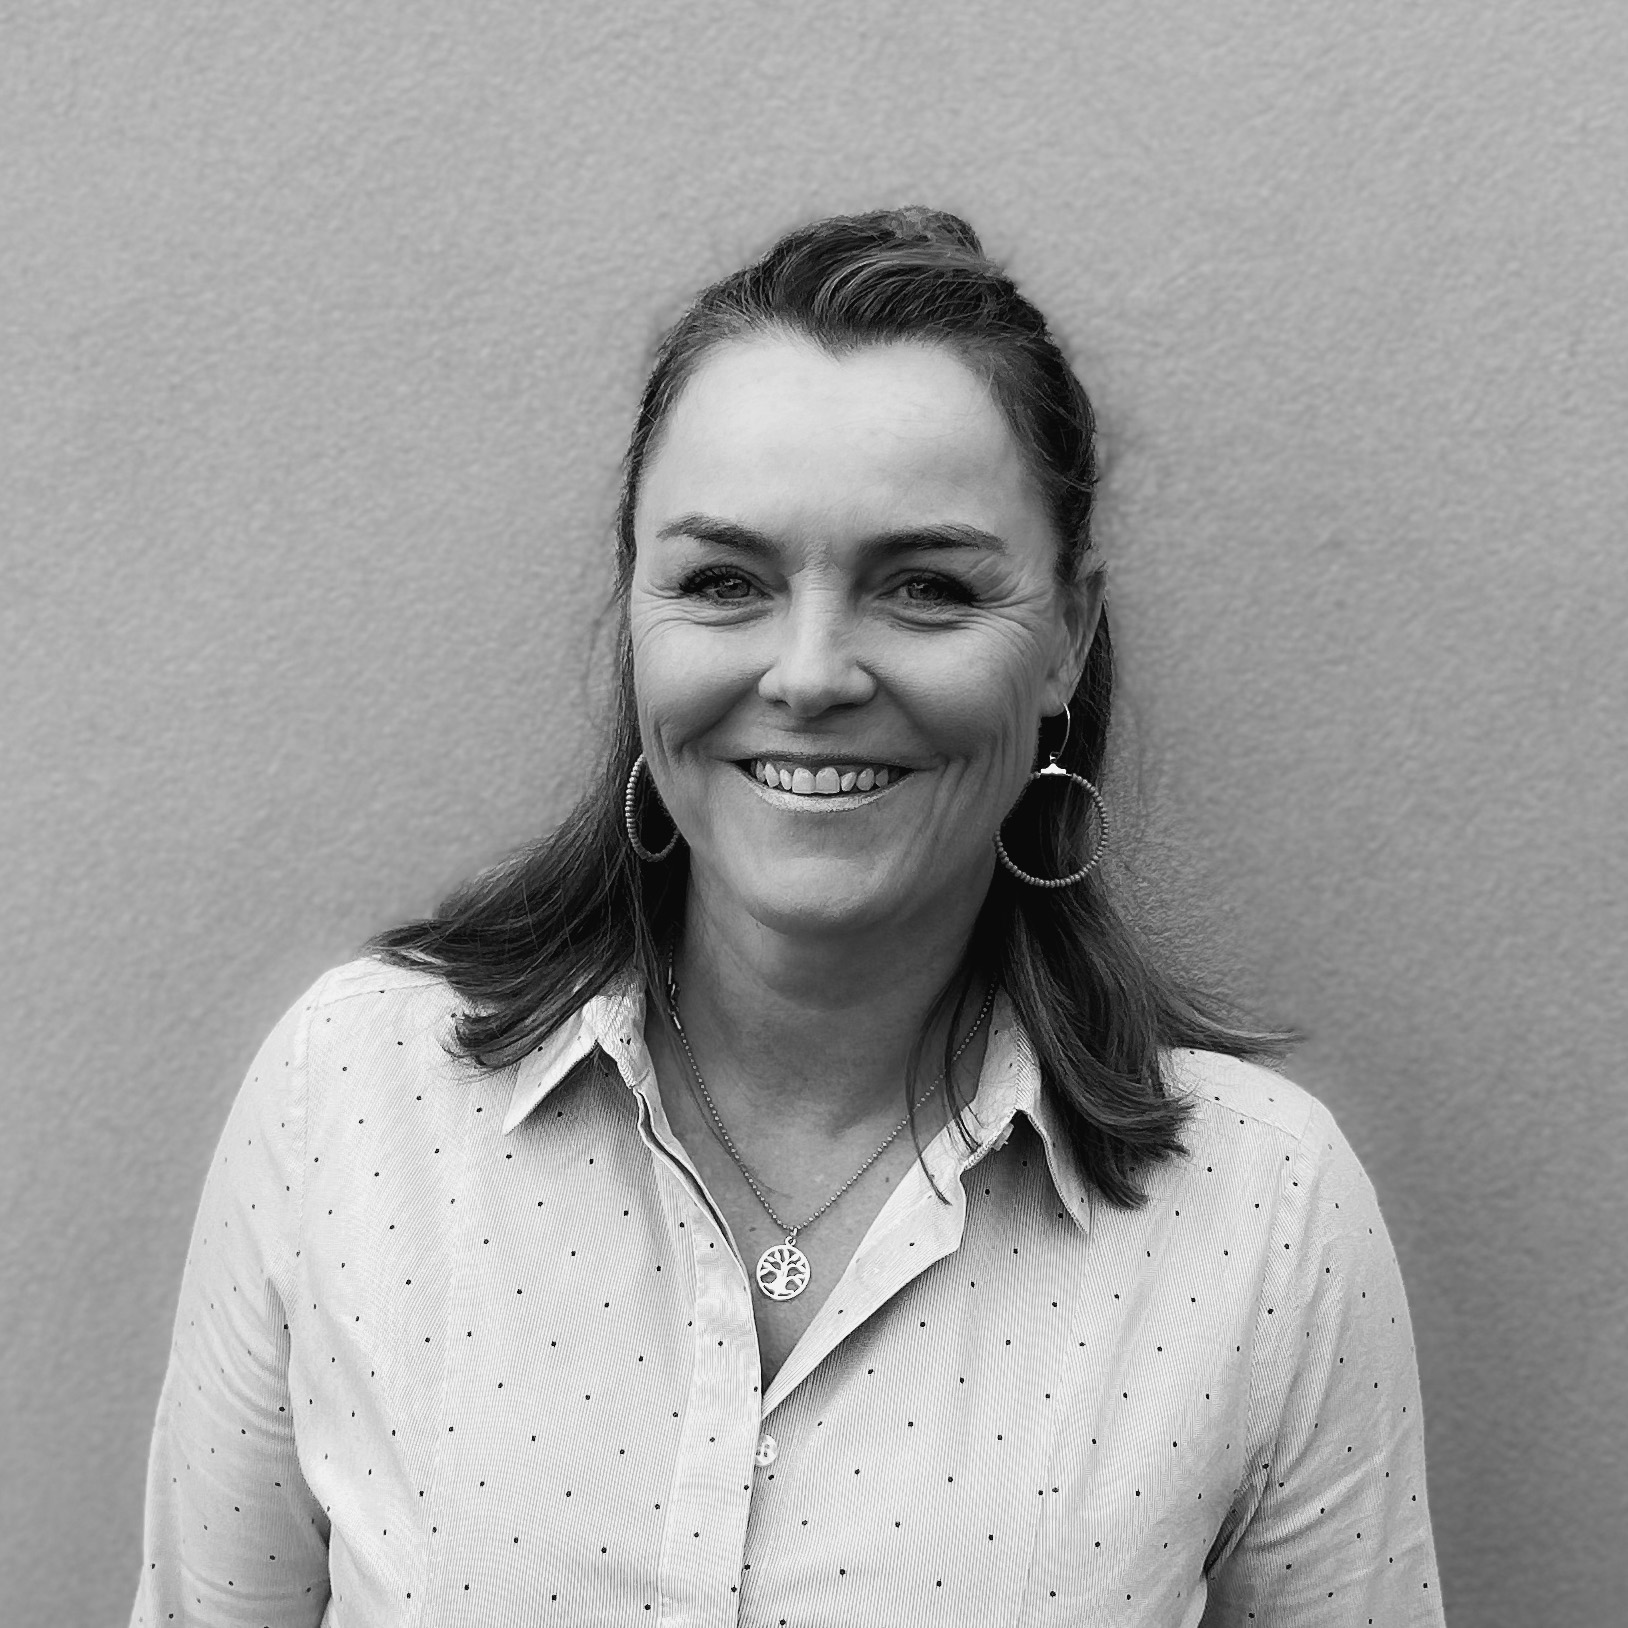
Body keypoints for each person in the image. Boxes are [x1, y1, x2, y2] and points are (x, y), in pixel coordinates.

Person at [131, 207, 1443, 1626]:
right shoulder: (355, 1100)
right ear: (637, 613)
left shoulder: (1262, 1213)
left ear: (1068, 636)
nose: (811, 673)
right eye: (725, 583)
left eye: (926, 587)